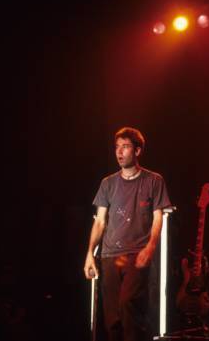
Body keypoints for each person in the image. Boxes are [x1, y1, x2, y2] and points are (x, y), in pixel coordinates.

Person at [84, 127, 171, 341]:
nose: (119, 152)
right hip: (109, 255)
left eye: (125, 146)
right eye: (117, 147)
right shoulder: (108, 183)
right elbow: (100, 221)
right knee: (112, 318)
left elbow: (158, 218)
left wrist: (150, 248)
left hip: (136, 253)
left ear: (138, 151)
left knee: (128, 305)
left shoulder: (153, 180)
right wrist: (89, 254)